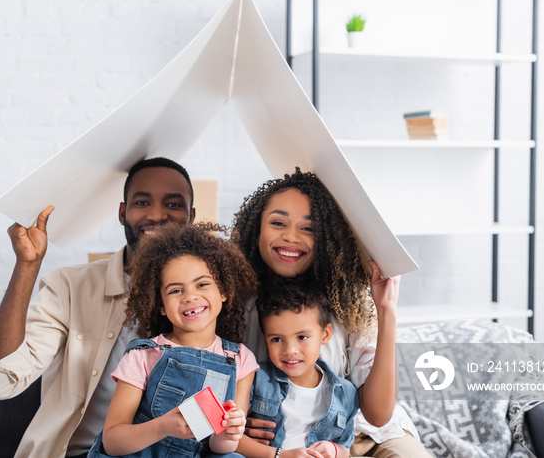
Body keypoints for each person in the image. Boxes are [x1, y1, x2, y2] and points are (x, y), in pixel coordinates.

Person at [0, 157, 196, 458]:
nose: (156, 215)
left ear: (191, 216)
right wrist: (28, 265)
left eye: (173, 205)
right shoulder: (70, 287)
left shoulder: (210, 296)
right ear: (122, 213)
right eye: (142, 202)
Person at [232, 167, 431, 457]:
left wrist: (387, 311)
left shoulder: (346, 303)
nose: (291, 237)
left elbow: (377, 415)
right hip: (277, 444)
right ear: (257, 229)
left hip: (361, 434)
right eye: (278, 223)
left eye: (308, 228)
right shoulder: (233, 303)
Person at [88, 223, 259, 457]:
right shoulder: (144, 355)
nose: (190, 296)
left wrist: (229, 434)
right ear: (160, 305)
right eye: (176, 290)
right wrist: (162, 427)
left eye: (202, 284)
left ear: (223, 291)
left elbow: (219, 448)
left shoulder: (240, 359)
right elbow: (112, 441)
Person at [238, 277, 359, 458]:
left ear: (325, 334)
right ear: (266, 340)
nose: (290, 350)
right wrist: (279, 455)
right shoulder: (256, 379)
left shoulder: (345, 392)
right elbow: (232, 437)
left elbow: (345, 446)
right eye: (277, 339)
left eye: (302, 337)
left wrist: (334, 450)